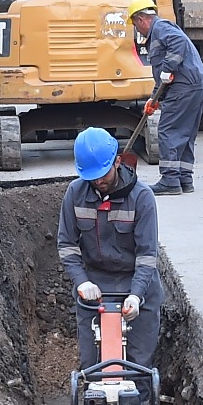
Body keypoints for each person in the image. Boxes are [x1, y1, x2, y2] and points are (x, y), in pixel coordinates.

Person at [57, 126, 161, 368]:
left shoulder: (141, 197)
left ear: (116, 161)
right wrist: (81, 281)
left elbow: (147, 255)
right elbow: (67, 245)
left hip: (137, 286)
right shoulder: (75, 193)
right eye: (92, 176)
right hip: (94, 286)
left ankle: (142, 404)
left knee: (139, 365)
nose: (98, 180)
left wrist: (136, 296)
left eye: (103, 173)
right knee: (92, 365)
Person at [128, 0, 203, 195]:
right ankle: (184, 179)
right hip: (195, 86)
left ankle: (170, 181)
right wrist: (154, 99)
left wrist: (169, 66)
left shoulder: (161, 28)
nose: (137, 30)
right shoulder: (159, 32)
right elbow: (163, 78)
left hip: (185, 88)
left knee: (168, 131)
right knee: (185, 133)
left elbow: (177, 44)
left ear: (141, 19)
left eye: (136, 25)